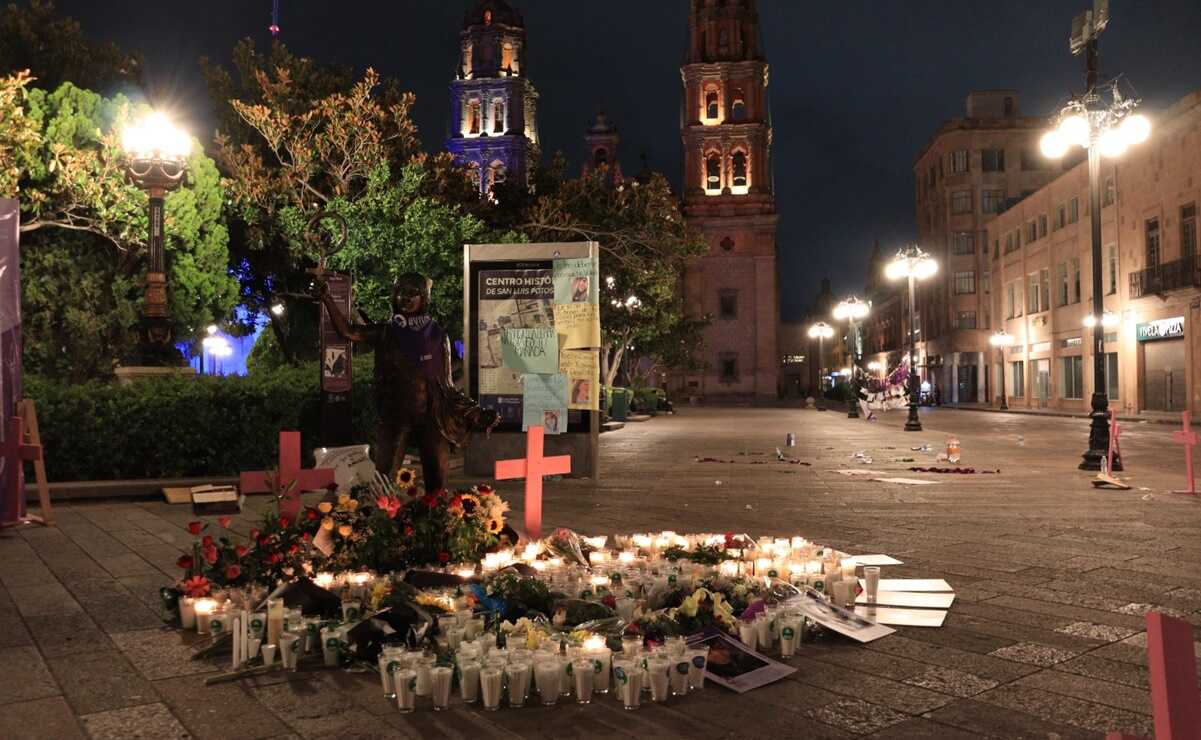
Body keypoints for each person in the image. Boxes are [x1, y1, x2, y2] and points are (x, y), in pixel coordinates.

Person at [313, 272, 499, 491]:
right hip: (395, 416)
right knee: (383, 483)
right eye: (401, 292)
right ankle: (382, 514)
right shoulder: (386, 332)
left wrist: (474, 412)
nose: (406, 298)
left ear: (424, 298)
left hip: (432, 417)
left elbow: (446, 385)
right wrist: (327, 298)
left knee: (437, 485)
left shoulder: (437, 336)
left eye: (413, 293)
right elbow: (349, 331)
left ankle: (435, 514)